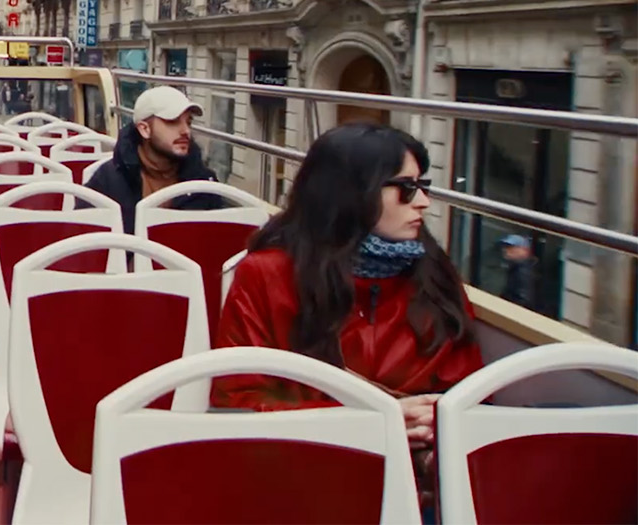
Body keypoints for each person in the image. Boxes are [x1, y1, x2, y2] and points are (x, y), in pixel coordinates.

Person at [212, 122, 484, 447]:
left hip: (423, 463)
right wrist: (374, 423)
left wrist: (433, 429)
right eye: (406, 188)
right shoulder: (266, 275)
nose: (423, 201)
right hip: (306, 458)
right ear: (353, 193)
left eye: (422, 186)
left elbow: (472, 391)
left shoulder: (435, 272)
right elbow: (237, 402)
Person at [84, 85, 225, 233]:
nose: (186, 131)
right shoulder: (109, 179)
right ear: (145, 129)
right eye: (173, 121)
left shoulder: (204, 183)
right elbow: (82, 235)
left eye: (188, 122)